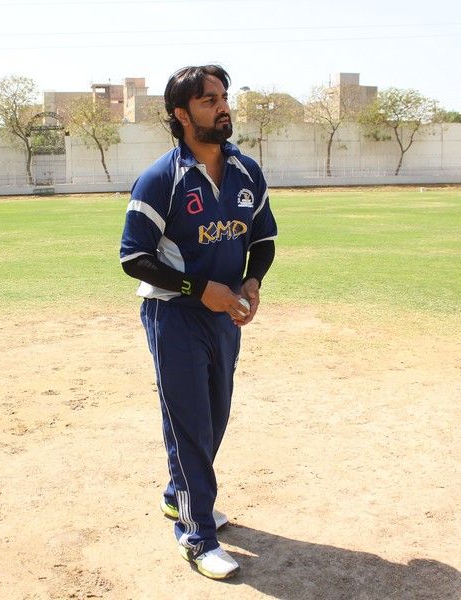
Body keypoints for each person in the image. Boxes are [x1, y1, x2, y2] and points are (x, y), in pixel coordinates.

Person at [119, 65, 277, 580]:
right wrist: (198, 289)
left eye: (223, 97)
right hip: (175, 316)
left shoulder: (247, 172)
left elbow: (263, 239)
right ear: (182, 115)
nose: (223, 106)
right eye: (209, 100)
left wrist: (252, 282)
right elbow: (134, 258)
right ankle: (196, 535)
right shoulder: (161, 179)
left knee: (214, 416)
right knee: (189, 422)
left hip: (225, 317)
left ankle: (178, 495)